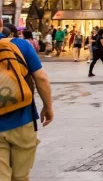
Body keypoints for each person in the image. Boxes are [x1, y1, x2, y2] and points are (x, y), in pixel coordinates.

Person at [0, 22, 54, 181]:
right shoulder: (20, 45)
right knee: (21, 177)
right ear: (1, 24)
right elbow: (41, 78)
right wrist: (48, 106)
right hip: (23, 120)